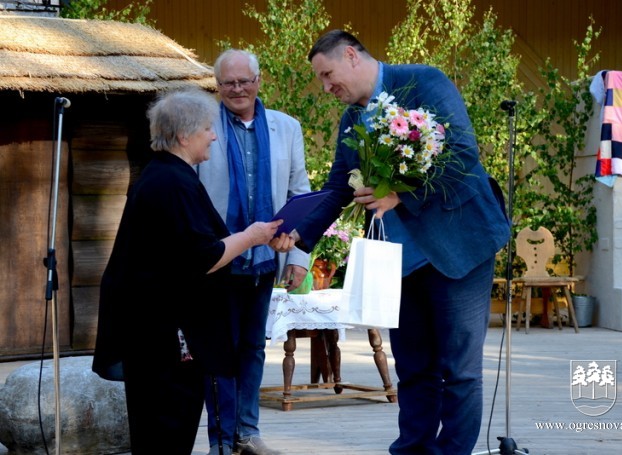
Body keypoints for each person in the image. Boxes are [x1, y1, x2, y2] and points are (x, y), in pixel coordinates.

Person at [292, 30, 511, 454]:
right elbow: (338, 188)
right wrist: (300, 236)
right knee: (412, 368)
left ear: (351, 55)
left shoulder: (423, 82)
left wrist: (399, 195)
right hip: (399, 263)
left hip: (459, 250)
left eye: (327, 74)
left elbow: (462, 155)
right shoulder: (352, 119)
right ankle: (411, 449)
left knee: (460, 370)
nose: (326, 86)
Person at [91, 88, 294, 454]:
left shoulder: (167, 175)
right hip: (161, 342)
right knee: (166, 434)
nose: (214, 136)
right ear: (185, 136)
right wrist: (252, 237)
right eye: (207, 129)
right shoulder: (171, 182)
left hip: (156, 336)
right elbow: (204, 257)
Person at [195, 49, 311, 455]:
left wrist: (298, 257)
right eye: (228, 82)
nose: (237, 89)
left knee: (253, 349)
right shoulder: (202, 125)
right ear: (217, 86)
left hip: (265, 261)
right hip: (218, 258)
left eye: (244, 81)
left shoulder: (287, 127)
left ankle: (247, 431)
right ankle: (221, 439)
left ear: (259, 81)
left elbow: (300, 194)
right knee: (218, 352)